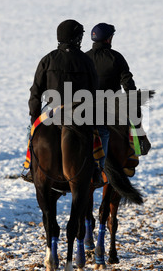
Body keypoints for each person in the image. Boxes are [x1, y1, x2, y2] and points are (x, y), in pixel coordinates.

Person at [23, 19, 104, 186]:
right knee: (94, 135)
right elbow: (94, 92)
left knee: (32, 135)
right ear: (76, 38)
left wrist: (34, 120)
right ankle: (95, 170)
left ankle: (31, 168)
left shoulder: (48, 59)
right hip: (79, 112)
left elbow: (35, 92)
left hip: (52, 111)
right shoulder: (86, 60)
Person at [85, 22, 149, 158]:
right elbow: (129, 88)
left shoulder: (84, 58)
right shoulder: (116, 57)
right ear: (109, 39)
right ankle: (139, 145)